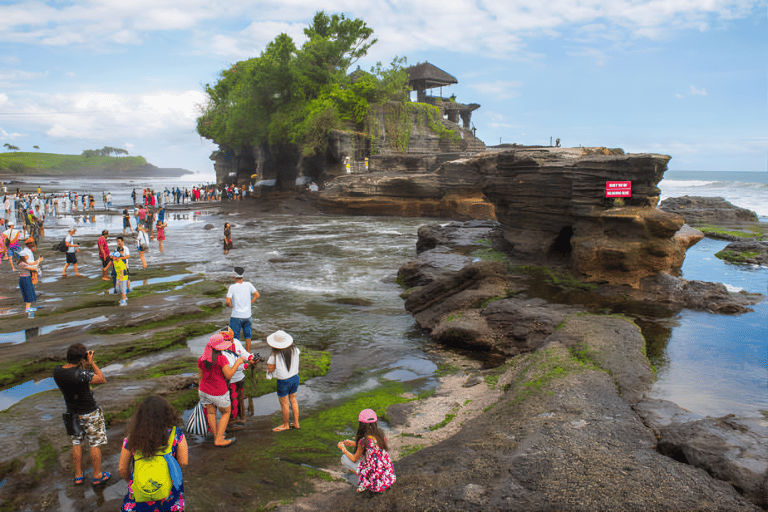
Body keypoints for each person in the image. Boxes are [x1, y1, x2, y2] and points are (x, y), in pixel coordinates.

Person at [52, 343, 110, 486]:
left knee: (76, 442)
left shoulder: (57, 372)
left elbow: (78, 378)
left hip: (72, 412)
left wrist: (82, 364)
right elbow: (101, 379)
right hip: (90, 412)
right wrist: (91, 363)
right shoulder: (82, 374)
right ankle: (97, 475)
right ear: (80, 358)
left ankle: (78, 475)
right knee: (95, 444)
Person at [118, 395, 188, 511]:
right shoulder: (176, 435)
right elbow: (183, 463)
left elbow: (122, 469)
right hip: (168, 493)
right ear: (167, 414)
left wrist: (132, 481)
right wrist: (176, 479)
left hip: (139, 494)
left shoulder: (131, 439)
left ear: (140, 417)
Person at [197, 333, 244, 447]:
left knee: (211, 412)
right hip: (219, 392)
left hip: (204, 390)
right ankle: (219, 439)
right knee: (226, 412)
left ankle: (216, 436)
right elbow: (228, 376)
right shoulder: (221, 359)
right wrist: (238, 362)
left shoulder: (202, 359)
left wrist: (200, 393)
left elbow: (200, 377)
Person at [337, 409, 396, 493]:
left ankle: (365, 482)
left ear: (361, 424)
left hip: (375, 479)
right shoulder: (380, 435)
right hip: (386, 475)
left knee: (344, 458)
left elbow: (354, 459)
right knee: (368, 458)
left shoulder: (363, 441)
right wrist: (353, 443)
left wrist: (343, 448)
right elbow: (372, 446)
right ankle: (369, 479)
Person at [220, 327, 258, 428]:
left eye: (231, 339)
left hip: (240, 378)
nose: (231, 342)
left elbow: (243, 353)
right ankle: (231, 421)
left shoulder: (236, 342)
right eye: (228, 340)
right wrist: (245, 365)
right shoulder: (221, 351)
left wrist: (250, 357)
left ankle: (241, 418)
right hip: (230, 380)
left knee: (240, 399)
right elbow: (232, 366)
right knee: (232, 400)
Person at [266, 330, 300, 432]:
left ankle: (286, 425)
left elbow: (271, 368)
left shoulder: (275, 355)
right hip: (295, 378)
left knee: (284, 403)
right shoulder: (295, 349)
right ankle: (296, 423)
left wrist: (270, 371)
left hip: (283, 381)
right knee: (293, 400)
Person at [226, 266, 259, 352]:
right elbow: (257, 295)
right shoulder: (249, 285)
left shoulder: (232, 287)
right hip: (247, 315)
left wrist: (231, 306)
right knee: (248, 335)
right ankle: (248, 354)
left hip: (236, 316)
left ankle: (237, 354)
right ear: (243, 277)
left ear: (234, 277)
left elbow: (228, 301)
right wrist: (250, 302)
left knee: (235, 336)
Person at [17, 236, 42, 315]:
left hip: (25, 277)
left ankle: (29, 310)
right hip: (25, 278)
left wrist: (37, 262)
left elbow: (30, 263)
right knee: (28, 295)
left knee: (29, 294)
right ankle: (29, 313)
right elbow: (31, 267)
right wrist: (38, 262)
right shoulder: (23, 264)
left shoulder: (21, 262)